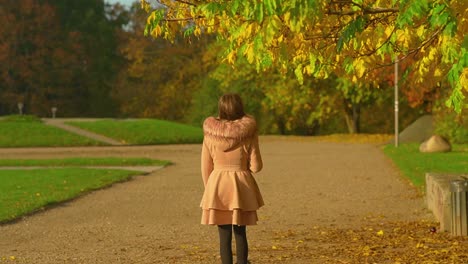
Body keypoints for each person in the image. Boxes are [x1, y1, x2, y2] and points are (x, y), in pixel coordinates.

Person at [200, 93, 264, 264]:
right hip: (241, 186)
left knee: (224, 235)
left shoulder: (210, 135)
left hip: (217, 185)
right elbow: (256, 167)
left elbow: (205, 167)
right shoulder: (249, 134)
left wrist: (210, 189)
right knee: (240, 232)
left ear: (221, 109)